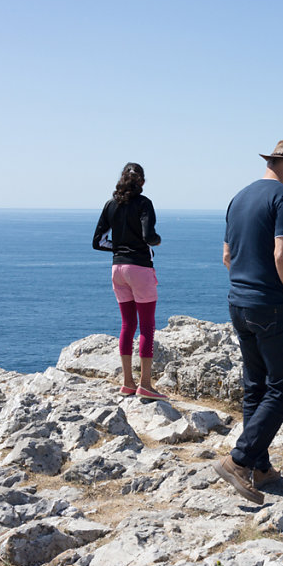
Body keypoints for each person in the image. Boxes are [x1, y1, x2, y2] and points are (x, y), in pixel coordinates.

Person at [214, 140, 283, 505]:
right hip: (275, 306)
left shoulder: (239, 198)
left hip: (239, 303)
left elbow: (227, 255)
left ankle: (260, 464)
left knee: (255, 386)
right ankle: (240, 461)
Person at [92, 162, 166, 400]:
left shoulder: (110, 204)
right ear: (142, 182)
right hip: (140, 268)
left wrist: (121, 247)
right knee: (146, 326)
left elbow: (98, 241)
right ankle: (145, 384)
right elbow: (148, 236)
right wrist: (157, 241)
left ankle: (127, 383)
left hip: (117, 269)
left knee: (127, 326)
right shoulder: (144, 204)